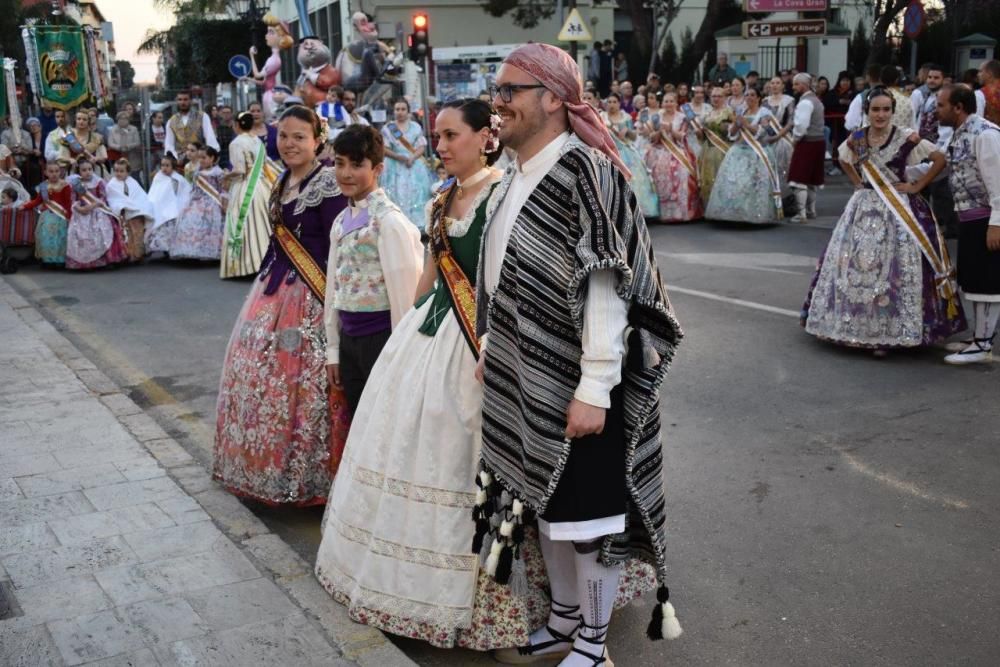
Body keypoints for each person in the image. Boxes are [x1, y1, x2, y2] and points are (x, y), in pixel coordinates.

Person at [475, 42, 683, 666]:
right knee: (546, 510)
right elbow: (505, 277)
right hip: (527, 377)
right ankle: (566, 622)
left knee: (588, 522)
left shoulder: (584, 172)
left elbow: (607, 286)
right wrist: (495, 345)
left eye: (510, 90)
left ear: (552, 100)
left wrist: (594, 388)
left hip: (583, 386)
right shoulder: (516, 173)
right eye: (497, 90)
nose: (498, 101)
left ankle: (593, 646)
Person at [315, 97, 548, 650]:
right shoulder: (441, 197)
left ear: (485, 137)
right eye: (436, 137)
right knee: (414, 446)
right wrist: (405, 340)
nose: (438, 146)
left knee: (469, 452)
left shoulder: (505, 193)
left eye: (449, 135)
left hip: (482, 336)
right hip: (432, 333)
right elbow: (426, 277)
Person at [214, 105, 350, 505]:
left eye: (299, 137)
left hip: (312, 297)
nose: (289, 144)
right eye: (283, 136)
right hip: (273, 290)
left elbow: (339, 244)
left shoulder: (328, 184)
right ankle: (261, 468)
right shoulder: (280, 182)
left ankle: (311, 477)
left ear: (317, 141)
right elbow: (277, 242)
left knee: (304, 387)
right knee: (262, 378)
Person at [802, 87, 966, 355]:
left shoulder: (905, 137)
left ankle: (894, 330)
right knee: (857, 268)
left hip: (899, 208)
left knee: (895, 270)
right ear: (867, 111)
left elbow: (939, 159)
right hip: (864, 207)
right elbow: (844, 159)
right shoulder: (857, 139)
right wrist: (857, 182)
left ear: (892, 111)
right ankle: (856, 326)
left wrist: (917, 185)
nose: (881, 115)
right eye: (875, 109)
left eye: (886, 109)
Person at [323, 124, 424, 414]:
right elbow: (333, 287)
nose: (346, 173)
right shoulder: (341, 220)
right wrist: (333, 349)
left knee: (384, 422)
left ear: (378, 168)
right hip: (349, 341)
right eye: (340, 164)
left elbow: (405, 300)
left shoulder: (389, 222)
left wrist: (401, 357)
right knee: (358, 421)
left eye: (357, 165)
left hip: (380, 341)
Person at [936, 85, 1000, 364]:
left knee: (988, 281)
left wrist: (997, 224)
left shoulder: (985, 134)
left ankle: (984, 343)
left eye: (941, 105)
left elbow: (997, 184)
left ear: (958, 107)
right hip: (971, 217)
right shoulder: (961, 133)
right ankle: (979, 337)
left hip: (986, 217)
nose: (936, 110)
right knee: (974, 279)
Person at [705, 87, 783, 223]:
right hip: (739, 150)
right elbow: (732, 134)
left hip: (756, 152)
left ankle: (754, 214)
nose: (749, 97)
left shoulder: (764, 113)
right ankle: (735, 213)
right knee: (736, 182)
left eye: (753, 95)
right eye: (747, 95)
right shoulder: (741, 111)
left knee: (752, 184)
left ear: (758, 98)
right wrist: (736, 125)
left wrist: (746, 125)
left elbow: (764, 132)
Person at [221, 112, 274, 278]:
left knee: (240, 221)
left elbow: (240, 171)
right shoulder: (257, 140)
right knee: (263, 223)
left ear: (237, 125)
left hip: (246, 187)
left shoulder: (236, 143)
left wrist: (225, 176)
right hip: (262, 186)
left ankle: (245, 265)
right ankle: (266, 261)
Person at [645, 91, 701, 223]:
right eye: (666, 101)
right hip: (659, 149)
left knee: (681, 170)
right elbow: (652, 138)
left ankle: (680, 212)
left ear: (676, 103)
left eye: (671, 101)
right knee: (657, 169)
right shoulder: (656, 117)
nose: (668, 104)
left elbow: (682, 137)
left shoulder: (682, 118)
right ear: (662, 103)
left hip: (678, 149)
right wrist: (659, 131)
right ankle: (661, 213)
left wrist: (670, 129)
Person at [64, 157, 128, 270]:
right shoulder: (76, 184)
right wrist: (79, 208)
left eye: (90, 169)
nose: (87, 172)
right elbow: (73, 199)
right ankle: (85, 262)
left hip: (97, 210)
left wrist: (91, 206)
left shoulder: (99, 182)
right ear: (79, 172)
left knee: (103, 229)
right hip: (81, 212)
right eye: (84, 170)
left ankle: (105, 260)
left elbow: (103, 198)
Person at [602, 93, 659, 219]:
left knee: (634, 179)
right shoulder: (602, 117)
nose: (612, 104)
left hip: (626, 152)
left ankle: (636, 211)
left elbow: (634, 136)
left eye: (614, 102)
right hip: (609, 153)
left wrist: (627, 131)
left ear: (619, 103)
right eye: (609, 102)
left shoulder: (626, 117)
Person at [380, 98, 434, 231]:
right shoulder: (388, 128)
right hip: (394, 165)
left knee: (416, 194)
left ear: (408, 111)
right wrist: (400, 157)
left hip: (413, 165)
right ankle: (396, 226)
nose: (400, 112)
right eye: (397, 109)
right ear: (393, 111)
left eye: (403, 109)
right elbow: (384, 149)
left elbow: (421, 146)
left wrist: (412, 158)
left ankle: (417, 226)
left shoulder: (416, 127)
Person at [170, 146, 227, 261]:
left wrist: (224, 203)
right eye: (199, 157)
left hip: (213, 202)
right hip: (198, 200)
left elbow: (223, 190)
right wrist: (189, 202)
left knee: (211, 223)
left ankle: (209, 251)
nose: (201, 160)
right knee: (189, 218)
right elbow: (194, 189)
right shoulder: (197, 173)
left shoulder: (218, 172)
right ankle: (192, 250)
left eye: (204, 157)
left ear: (212, 158)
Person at [788, 73, 826, 222]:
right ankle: (811, 210)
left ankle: (802, 213)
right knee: (812, 179)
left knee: (800, 177)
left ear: (804, 85)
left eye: (796, 84)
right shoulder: (817, 100)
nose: (794, 87)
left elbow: (801, 125)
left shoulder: (805, 102)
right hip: (819, 142)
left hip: (807, 142)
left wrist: (795, 139)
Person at [21, 161, 72, 265]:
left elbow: (68, 202)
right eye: (51, 171)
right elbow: (38, 201)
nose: (54, 174)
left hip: (61, 215)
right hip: (47, 215)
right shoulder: (44, 186)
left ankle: (60, 260)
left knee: (60, 236)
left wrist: (69, 217)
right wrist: (25, 206)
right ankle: (48, 260)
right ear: (46, 173)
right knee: (45, 233)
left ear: (60, 172)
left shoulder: (65, 185)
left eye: (57, 171)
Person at [105, 159, 154, 262]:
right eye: (116, 171)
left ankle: (137, 254)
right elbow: (113, 199)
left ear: (128, 172)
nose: (118, 173)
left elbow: (140, 196)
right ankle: (128, 253)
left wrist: (139, 207)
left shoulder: (132, 182)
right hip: (123, 213)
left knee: (138, 233)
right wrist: (123, 206)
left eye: (121, 171)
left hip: (137, 212)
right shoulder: (112, 184)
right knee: (128, 234)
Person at [146, 155, 191, 255]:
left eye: (167, 165)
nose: (164, 168)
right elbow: (154, 192)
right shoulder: (158, 177)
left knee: (170, 229)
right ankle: (161, 249)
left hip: (173, 208)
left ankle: (170, 250)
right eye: (162, 165)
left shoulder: (177, 179)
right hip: (159, 207)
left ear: (173, 167)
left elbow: (181, 194)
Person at [697, 86, 735, 205]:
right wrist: (699, 133)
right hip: (707, 150)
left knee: (721, 178)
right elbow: (703, 136)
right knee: (707, 178)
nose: (716, 98)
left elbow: (735, 131)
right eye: (713, 96)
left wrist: (727, 128)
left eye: (719, 96)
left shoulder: (728, 112)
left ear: (724, 98)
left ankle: (722, 206)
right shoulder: (707, 113)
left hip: (722, 150)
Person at [251, 14, 294, 120]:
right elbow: (263, 82)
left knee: (273, 121)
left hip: (271, 97)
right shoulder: (273, 59)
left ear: (280, 38)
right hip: (269, 94)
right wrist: (248, 79)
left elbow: (258, 75)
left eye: (271, 32)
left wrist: (251, 55)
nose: (266, 36)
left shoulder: (274, 60)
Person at [164, 91, 219, 160]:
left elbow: (210, 138)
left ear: (191, 101)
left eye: (185, 99)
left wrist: (210, 156)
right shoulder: (171, 121)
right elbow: (169, 144)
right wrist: (174, 158)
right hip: (179, 160)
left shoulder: (202, 116)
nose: (182, 102)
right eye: (180, 100)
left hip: (199, 159)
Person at [763, 77, 796, 194]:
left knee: (783, 169)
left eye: (778, 83)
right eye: (772, 83)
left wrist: (778, 136)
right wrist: (769, 132)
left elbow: (791, 121)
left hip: (784, 139)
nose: (775, 85)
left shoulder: (789, 100)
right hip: (768, 138)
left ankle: (785, 197)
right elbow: (763, 120)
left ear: (783, 86)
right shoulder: (765, 101)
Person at [58, 110, 108, 177]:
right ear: (75, 120)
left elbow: (104, 157)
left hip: (93, 169)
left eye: (84, 119)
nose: (81, 121)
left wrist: (96, 159)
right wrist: (70, 160)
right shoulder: (68, 136)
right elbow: (61, 157)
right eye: (79, 119)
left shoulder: (97, 137)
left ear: (88, 122)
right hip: (73, 169)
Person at [844, 64, 882, 132]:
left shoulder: (862, 97)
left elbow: (851, 123)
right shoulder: (893, 95)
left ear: (868, 77)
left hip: (869, 137)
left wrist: (859, 138)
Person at [107, 112, 142, 179]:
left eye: (125, 118)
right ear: (117, 120)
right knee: (120, 177)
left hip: (132, 157)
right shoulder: (113, 130)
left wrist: (128, 146)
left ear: (128, 120)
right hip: (118, 156)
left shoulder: (134, 129)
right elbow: (110, 143)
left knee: (134, 178)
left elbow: (137, 142)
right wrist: (119, 147)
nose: (122, 120)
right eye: (120, 118)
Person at [879, 66, 913, 130]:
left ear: (880, 79)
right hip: (902, 139)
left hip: (877, 139)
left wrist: (856, 137)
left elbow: (864, 126)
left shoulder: (873, 98)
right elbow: (913, 127)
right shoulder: (907, 99)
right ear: (897, 80)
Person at [979, 60, 1000, 125]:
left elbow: (977, 122)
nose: (978, 75)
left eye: (980, 71)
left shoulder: (980, 94)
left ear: (989, 74)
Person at [216, 106, 236, 170]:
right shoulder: (218, 128)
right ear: (221, 114)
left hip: (236, 155)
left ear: (232, 114)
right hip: (224, 157)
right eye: (224, 113)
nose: (226, 115)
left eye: (228, 112)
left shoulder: (236, 126)